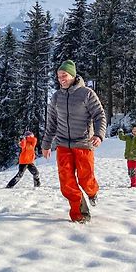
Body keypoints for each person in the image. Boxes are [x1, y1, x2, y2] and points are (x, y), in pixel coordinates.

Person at [41, 60, 106, 223]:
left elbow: (99, 115)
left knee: (86, 179)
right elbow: (52, 123)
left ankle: (92, 192)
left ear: (73, 75)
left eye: (64, 75)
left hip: (84, 143)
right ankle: (80, 213)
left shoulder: (87, 93)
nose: (61, 79)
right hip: (63, 145)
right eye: (58, 76)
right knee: (66, 182)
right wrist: (46, 144)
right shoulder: (56, 97)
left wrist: (98, 135)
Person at [118, 123, 136, 188]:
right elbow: (122, 137)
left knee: (132, 172)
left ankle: (134, 185)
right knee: (130, 172)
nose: (134, 131)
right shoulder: (128, 136)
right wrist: (120, 131)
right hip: (129, 156)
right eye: (133, 129)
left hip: (135, 156)